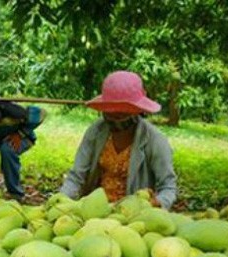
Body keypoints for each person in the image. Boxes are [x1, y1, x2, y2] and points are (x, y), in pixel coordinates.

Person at [60, 71, 177, 209]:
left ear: (137, 111)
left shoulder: (154, 140)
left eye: (122, 114)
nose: (116, 119)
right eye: (111, 113)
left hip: (132, 215)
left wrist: (158, 202)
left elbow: (168, 187)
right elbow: (76, 177)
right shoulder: (96, 132)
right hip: (95, 210)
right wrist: (62, 200)